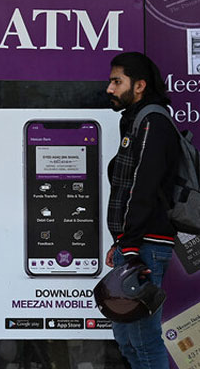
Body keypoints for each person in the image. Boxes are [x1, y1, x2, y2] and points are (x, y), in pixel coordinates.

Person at [104, 52, 179, 369]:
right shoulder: (137, 121)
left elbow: (142, 188)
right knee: (126, 339)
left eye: (116, 81)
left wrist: (130, 245)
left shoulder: (153, 122)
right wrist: (121, 242)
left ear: (139, 85)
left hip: (144, 246)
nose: (109, 88)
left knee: (144, 340)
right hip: (133, 244)